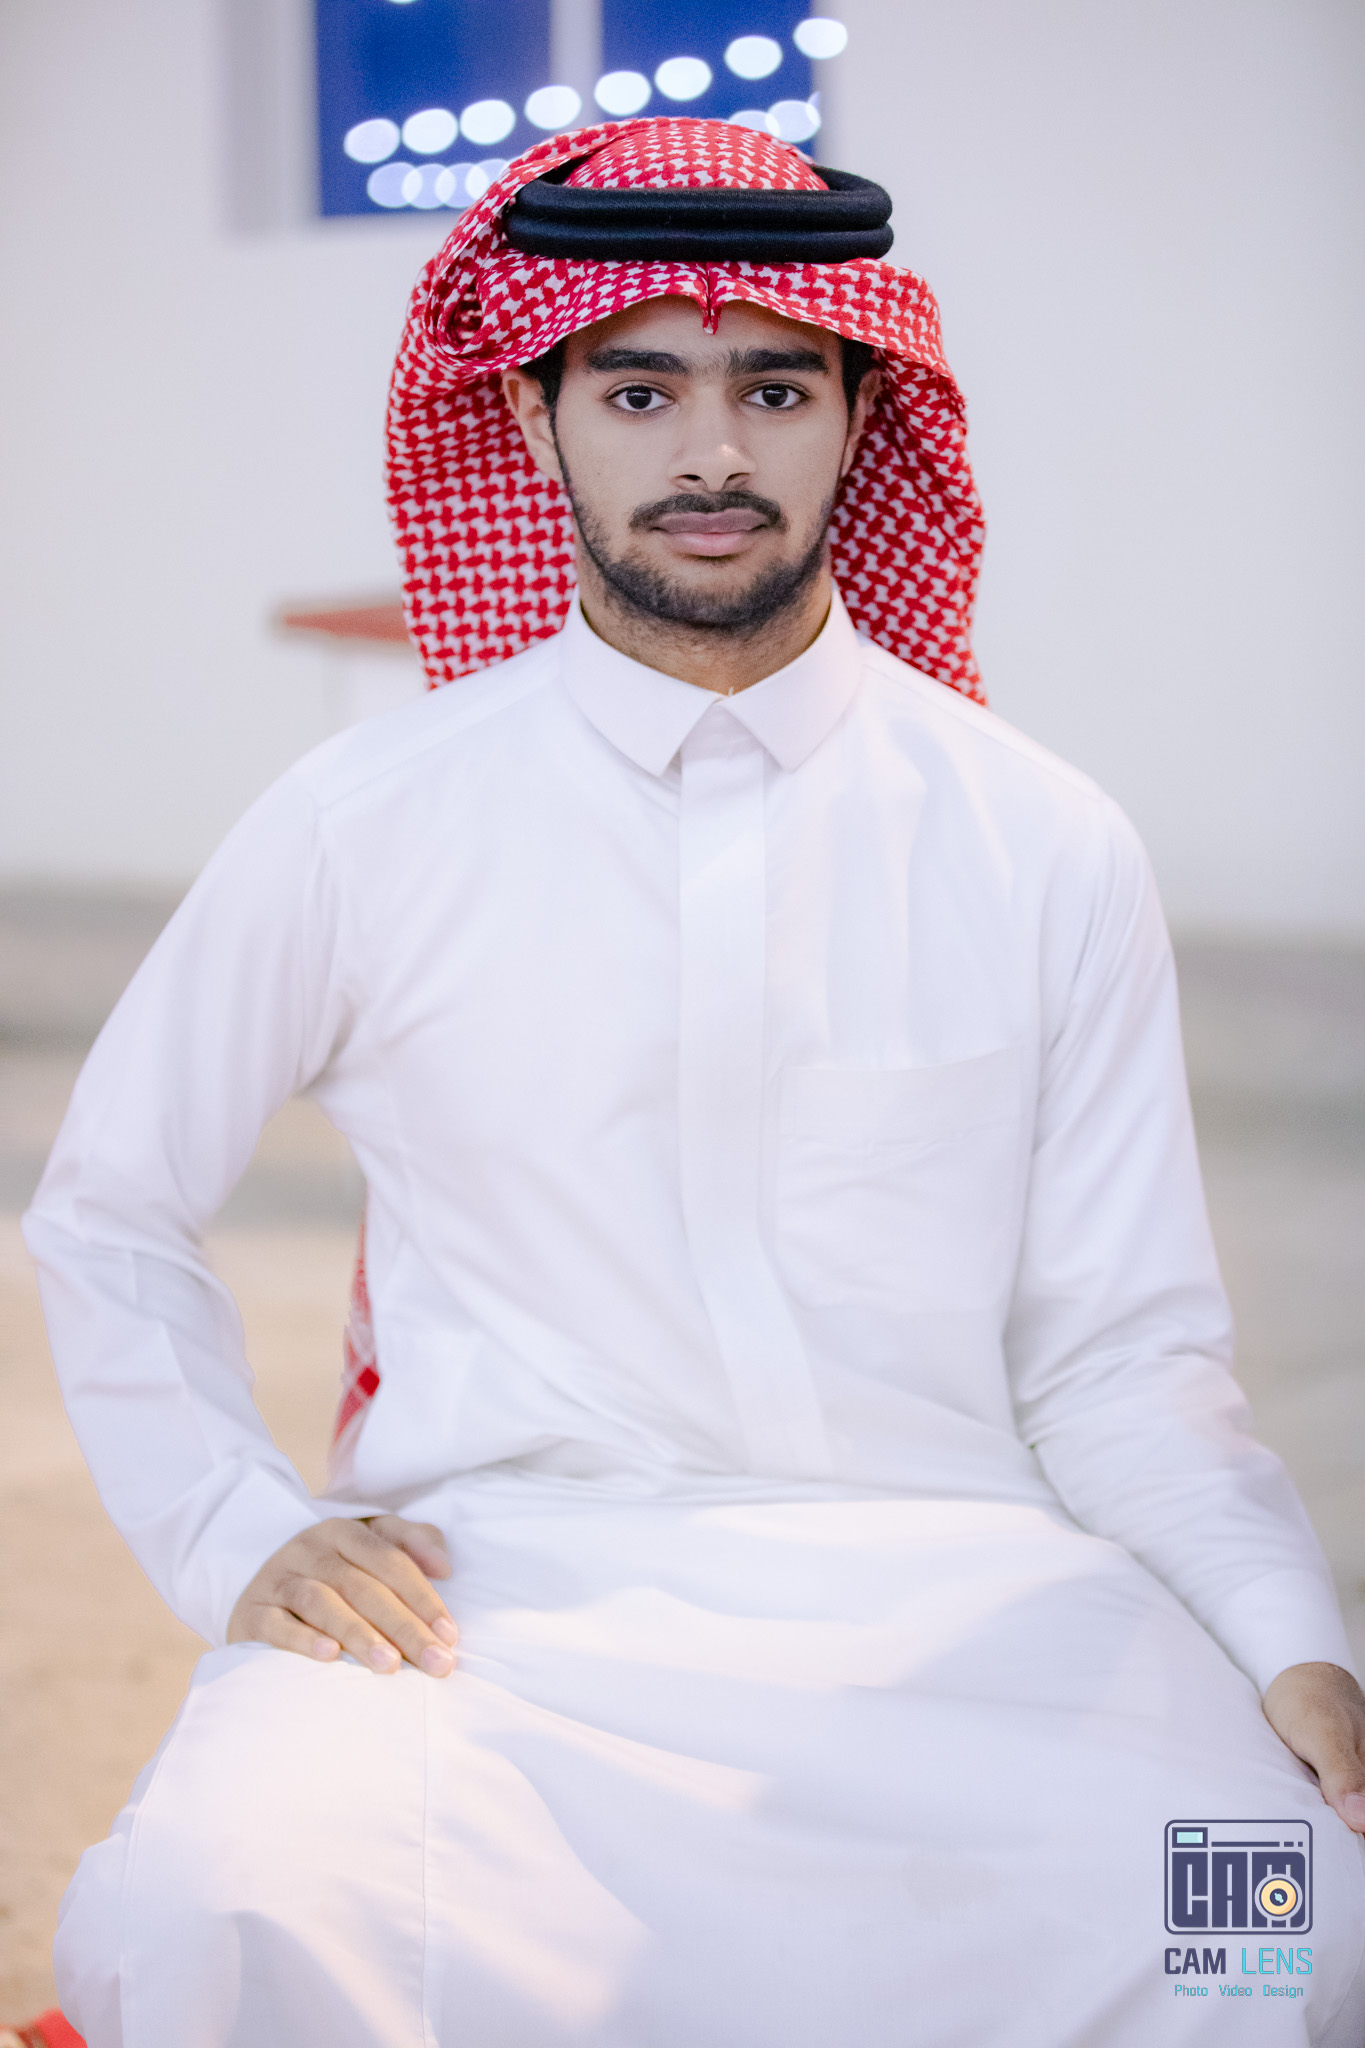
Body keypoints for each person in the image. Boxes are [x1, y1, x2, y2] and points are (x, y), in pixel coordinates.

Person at [24, 118, 1365, 2048]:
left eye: (774, 389)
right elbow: (111, 1205)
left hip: (965, 1595)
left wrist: (1287, 1638)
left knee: (1282, 1924)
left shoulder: (1036, 839)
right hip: (498, 1611)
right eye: (640, 391)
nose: (711, 454)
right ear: (536, 413)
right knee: (204, 1912)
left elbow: (1120, 1359)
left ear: (860, 411)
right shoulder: (367, 823)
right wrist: (238, 1535)